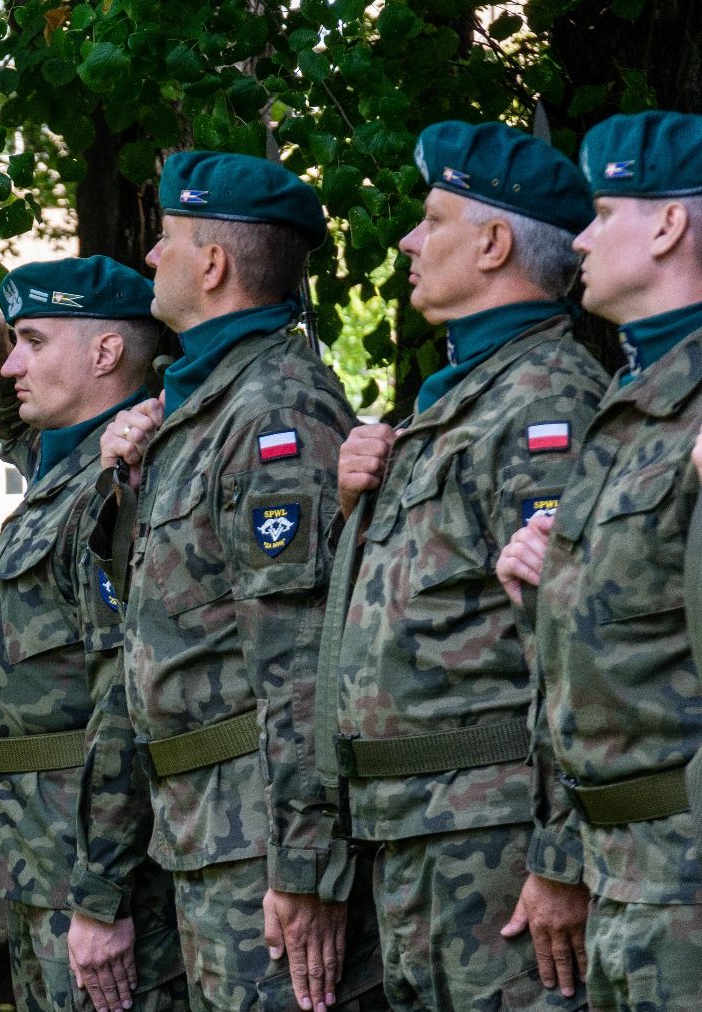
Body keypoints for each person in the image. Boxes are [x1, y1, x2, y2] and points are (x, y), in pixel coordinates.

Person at [321, 121, 605, 1011]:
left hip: (493, 835)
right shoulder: (460, 397)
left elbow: (573, 646)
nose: (408, 239)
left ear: (493, 244)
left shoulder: (544, 399)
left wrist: (560, 855)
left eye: (432, 218)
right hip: (421, 826)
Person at [95, 152, 381, 1011]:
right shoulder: (202, 408)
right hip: (204, 829)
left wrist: (304, 867)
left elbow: (300, 659)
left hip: (258, 839)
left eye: (168, 239)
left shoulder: (275, 409)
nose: (150, 257)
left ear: (213, 264)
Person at [496, 109, 702, 1010]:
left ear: (668, 225)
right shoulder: (634, 396)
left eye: (605, 210)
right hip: (628, 876)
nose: (579, 236)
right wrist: (552, 588)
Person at [0, 257, 187, 1012]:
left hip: (83, 866)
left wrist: (100, 894)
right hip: (31, 858)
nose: (13, 362)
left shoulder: (124, 479)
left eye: (33, 340)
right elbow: (26, 437)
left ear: (104, 353)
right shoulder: (68, 470)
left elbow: (124, 698)